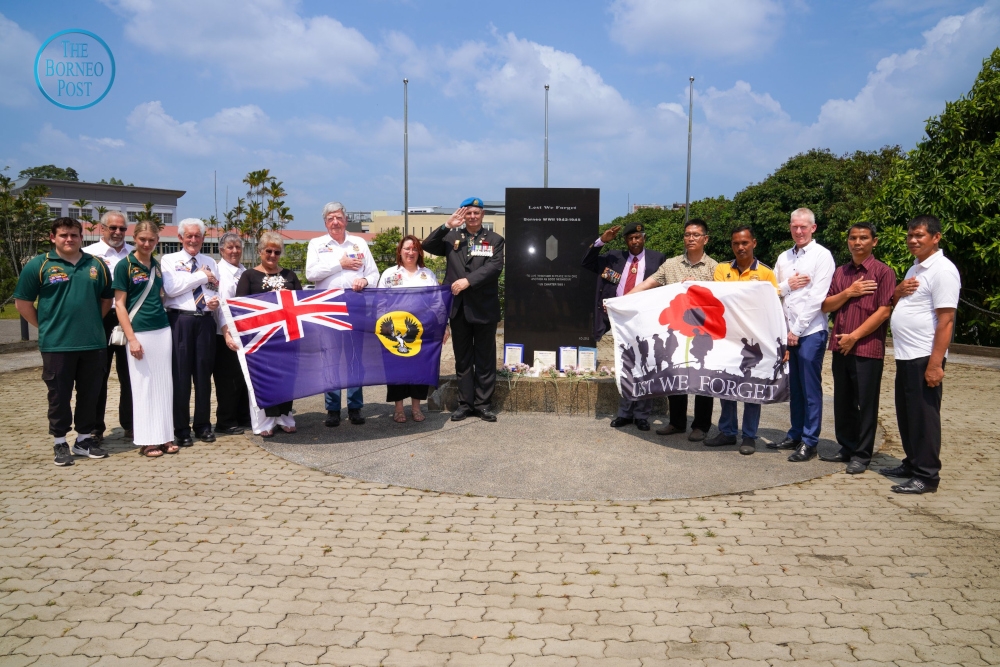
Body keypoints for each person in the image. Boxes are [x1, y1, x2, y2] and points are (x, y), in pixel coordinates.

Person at [14, 217, 113, 465]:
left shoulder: (96, 265)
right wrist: (46, 325)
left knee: (90, 394)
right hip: (57, 344)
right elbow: (23, 303)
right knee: (59, 395)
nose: (69, 239)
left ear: (81, 237)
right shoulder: (39, 265)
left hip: (93, 343)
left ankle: (83, 440)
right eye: (63, 235)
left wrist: (91, 323)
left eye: (74, 235)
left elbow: (106, 300)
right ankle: (60, 443)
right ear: (53, 238)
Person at [880, 215, 960, 494]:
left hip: (925, 355)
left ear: (936, 237)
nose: (913, 240)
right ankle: (912, 461)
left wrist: (936, 364)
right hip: (906, 354)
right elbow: (899, 301)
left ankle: (927, 476)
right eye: (910, 235)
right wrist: (898, 292)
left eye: (920, 236)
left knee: (924, 416)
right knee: (907, 413)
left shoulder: (943, 270)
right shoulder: (916, 268)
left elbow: (946, 320)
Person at [628, 219, 714, 439]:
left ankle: (701, 426)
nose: (691, 238)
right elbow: (648, 284)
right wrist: (621, 300)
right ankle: (677, 422)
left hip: (704, 334)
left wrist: (700, 286)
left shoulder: (716, 268)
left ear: (705, 238)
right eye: (687, 234)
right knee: (676, 376)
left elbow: (722, 298)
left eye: (696, 234)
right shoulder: (671, 265)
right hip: (675, 332)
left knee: (703, 378)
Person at [820, 222, 895, 474]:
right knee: (843, 401)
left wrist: (854, 336)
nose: (857, 242)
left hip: (866, 348)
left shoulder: (883, 272)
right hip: (841, 346)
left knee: (865, 404)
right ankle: (847, 446)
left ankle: (862, 455)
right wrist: (850, 292)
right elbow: (826, 305)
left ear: (874, 241)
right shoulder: (841, 273)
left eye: (863, 238)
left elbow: (884, 311)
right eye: (853, 238)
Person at [423, 197, 505, 422]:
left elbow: (494, 267)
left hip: (483, 308)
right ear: (463, 215)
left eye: (476, 213)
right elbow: (427, 245)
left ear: (483, 215)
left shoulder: (495, 240)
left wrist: (468, 281)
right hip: (458, 309)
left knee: (485, 358)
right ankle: (465, 403)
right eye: (468, 213)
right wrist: (446, 225)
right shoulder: (451, 237)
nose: (472, 217)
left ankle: (484, 404)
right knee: (463, 359)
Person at [582, 221, 666, 431]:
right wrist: (602, 241)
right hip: (620, 321)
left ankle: (642, 415)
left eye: (638, 237)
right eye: (630, 238)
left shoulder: (657, 258)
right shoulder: (614, 257)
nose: (634, 241)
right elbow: (587, 262)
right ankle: (625, 413)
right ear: (626, 240)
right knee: (625, 365)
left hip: (646, 319)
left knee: (645, 366)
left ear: (644, 238)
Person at [705, 226, 778, 455]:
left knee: (751, 387)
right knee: (725, 385)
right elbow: (718, 301)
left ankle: (749, 436)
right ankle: (727, 432)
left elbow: (773, 309)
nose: (740, 247)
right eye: (736, 243)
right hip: (726, 338)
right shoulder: (722, 269)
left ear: (754, 243)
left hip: (755, 341)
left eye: (745, 243)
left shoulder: (766, 273)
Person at [305, 202, 379, 427]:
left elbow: (374, 274)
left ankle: (355, 407)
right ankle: (333, 408)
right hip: (327, 306)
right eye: (330, 218)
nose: (335, 222)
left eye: (338, 217)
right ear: (325, 222)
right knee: (331, 358)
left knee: (355, 357)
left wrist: (365, 280)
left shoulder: (359, 242)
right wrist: (341, 264)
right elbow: (311, 274)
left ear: (345, 220)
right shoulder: (316, 244)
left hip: (355, 305)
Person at [772, 208, 835, 462]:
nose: (799, 231)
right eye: (795, 226)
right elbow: (774, 292)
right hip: (788, 332)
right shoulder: (783, 258)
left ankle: (810, 440)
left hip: (810, 331)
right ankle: (795, 433)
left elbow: (818, 298)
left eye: (803, 227)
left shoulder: (822, 256)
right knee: (794, 388)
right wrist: (787, 286)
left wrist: (796, 331)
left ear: (813, 228)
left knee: (810, 389)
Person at [111, 221, 176, 458]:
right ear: (134, 238)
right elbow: (119, 304)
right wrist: (132, 339)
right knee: (143, 386)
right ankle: (148, 439)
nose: (147, 244)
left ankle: (165, 435)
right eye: (142, 240)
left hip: (162, 330)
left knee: (163, 384)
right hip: (139, 331)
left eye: (151, 240)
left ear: (157, 241)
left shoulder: (157, 266)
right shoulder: (124, 265)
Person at [233, 231, 304, 437]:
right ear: (260, 251)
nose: (272, 255)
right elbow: (241, 307)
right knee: (264, 377)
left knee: (287, 377)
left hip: (287, 336)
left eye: (277, 252)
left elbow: (300, 302)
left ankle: (284, 416)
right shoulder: (248, 276)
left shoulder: (290, 275)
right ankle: (265, 421)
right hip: (261, 337)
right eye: (268, 251)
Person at [162, 218, 221, 448]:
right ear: (180, 238)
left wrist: (213, 302)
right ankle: (181, 429)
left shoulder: (210, 262)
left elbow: (215, 287)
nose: (193, 240)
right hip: (180, 321)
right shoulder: (169, 260)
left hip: (205, 321)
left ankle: (203, 425)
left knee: (204, 377)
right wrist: (200, 276)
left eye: (198, 236)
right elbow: (171, 289)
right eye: (189, 236)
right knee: (181, 377)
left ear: (203, 238)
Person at [377, 235, 449, 422]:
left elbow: (438, 304)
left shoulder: (428, 274)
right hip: (394, 333)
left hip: (422, 332)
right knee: (397, 370)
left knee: (420, 369)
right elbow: (380, 303)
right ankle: (399, 408)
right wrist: (381, 328)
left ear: (419, 252)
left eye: (414, 249)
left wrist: (444, 326)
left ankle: (416, 408)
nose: (410, 252)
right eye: (407, 248)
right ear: (400, 251)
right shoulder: (389, 274)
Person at [83, 210, 134, 443]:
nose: (117, 232)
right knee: (96, 375)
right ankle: (94, 428)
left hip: (129, 319)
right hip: (99, 318)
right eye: (112, 227)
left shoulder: (135, 254)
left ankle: (132, 424)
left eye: (122, 228)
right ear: (102, 228)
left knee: (131, 375)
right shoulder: (87, 255)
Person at [213, 232, 251, 435]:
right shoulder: (218, 271)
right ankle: (225, 420)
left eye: (237, 247)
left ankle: (243, 416)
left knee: (244, 377)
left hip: (245, 333)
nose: (234, 251)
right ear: (221, 250)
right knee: (227, 379)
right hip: (224, 333)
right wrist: (226, 332)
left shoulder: (245, 271)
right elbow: (220, 305)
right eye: (230, 247)